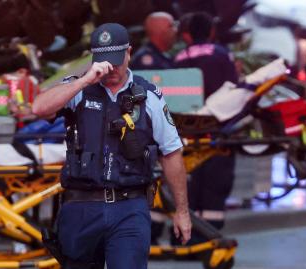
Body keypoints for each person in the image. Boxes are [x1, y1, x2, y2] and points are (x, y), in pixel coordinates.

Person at [33, 23, 191, 269]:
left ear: (129, 51)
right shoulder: (78, 90)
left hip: (129, 207)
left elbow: (171, 153)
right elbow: (39, 108)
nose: (112, 69)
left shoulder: (149, 96)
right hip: (81, 208)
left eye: (117, 60)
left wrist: (182, 211)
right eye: (106, 61)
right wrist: (84, 80)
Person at [174, 12, 237, 240]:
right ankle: (209, 238)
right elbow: (234, 93)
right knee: (214, 185)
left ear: (187, 35)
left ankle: (183, 238)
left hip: (186, 133)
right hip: (215, 131)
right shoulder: (222, 55)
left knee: (187, 186)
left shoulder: (179, 58)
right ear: (211, 32)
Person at [130, 11, 178, 246]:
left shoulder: (162, 58)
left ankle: (154, 234)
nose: (175, 31)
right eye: (172, 26)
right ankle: (149, 235)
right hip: (148, 134)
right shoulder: (146, 60)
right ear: (161, 30)